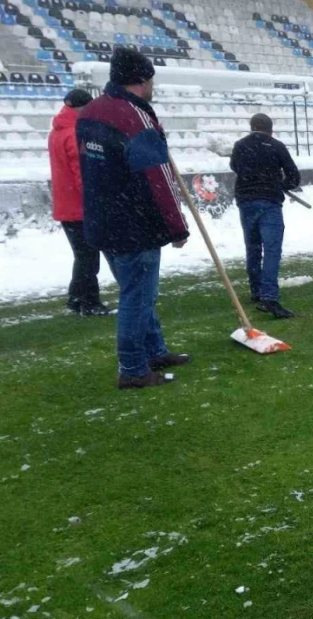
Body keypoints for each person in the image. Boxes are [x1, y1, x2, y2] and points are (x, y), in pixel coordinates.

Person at [77, 48, 192, 389]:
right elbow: (157, 178)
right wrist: (177, 226)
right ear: (142, 80)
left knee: (137, 292)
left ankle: (155, 351)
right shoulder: (133, 117)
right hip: (133, 224)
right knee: (138, 297)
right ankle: (132, 369)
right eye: (151, 79)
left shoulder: (91, 112)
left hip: (103, 220)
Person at [230, 113, 301, 319]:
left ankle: (256, 290)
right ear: (271, 129)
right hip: (269, 201)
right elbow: (294, 177)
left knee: (253, 247)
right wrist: (280, 184)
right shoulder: (276, 146)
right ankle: (269, 296)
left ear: (252, 127)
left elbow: (235, 167)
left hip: (246, 201)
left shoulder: (240, 145)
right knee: (272, 250)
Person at [49, 88, 110, 315]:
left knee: (82, 255)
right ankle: (89, 302)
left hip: (66, 204)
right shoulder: (75, 133)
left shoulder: (57, 131)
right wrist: (96, 199)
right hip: (79, 206)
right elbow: (82, 172)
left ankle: (76, 297)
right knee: (89, 257)